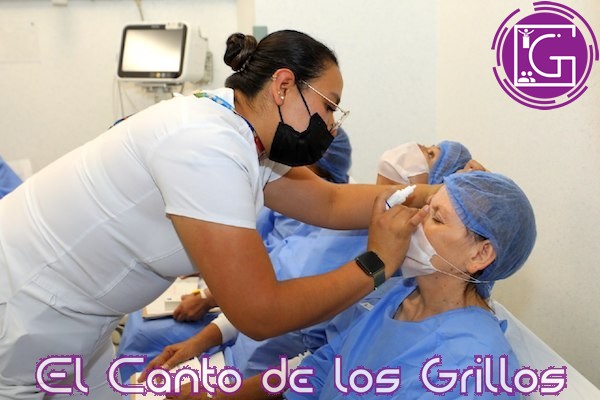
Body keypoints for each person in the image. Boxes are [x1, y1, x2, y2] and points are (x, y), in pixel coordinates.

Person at [0, 30, 435, 399]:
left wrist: (436, 192)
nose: (332, 126)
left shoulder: (238, 130)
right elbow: (259, 314)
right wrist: (376, 263)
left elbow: (331, 202)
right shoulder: (206, 145)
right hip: (26, 310)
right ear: (284, 86)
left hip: (75, 317)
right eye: (329, 106)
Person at [116, 129, 353, 381]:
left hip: (253, 377)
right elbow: (260, 291)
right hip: (235, 349)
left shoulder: (344, 251)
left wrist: (207, 300)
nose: (285, 171)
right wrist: (197, 343)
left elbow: (310, 360)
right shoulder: (302, 239)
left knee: (146, 339)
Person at [282, 171, 536, 399]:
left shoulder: (479, 367)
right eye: (425, 207)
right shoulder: (396, 294)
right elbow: (324, 368)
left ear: (480, 254)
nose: (414, 219)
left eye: (436, 218)